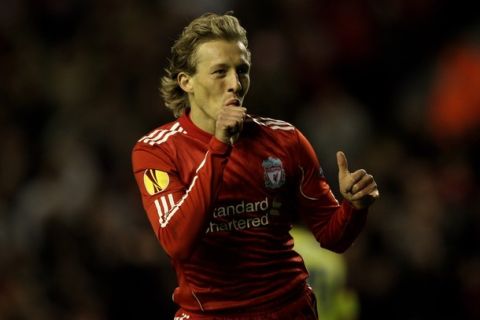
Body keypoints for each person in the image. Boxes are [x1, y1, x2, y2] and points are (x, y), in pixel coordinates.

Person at [131, 12, 379, 320]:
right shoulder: (156, 151)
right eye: (220, 71)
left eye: (242, 70)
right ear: (186, 82)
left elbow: (333, 236)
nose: (235, 83)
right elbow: (177, 241)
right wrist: (220, 147)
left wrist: (353, 207)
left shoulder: (286, 140)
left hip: (289, 310)